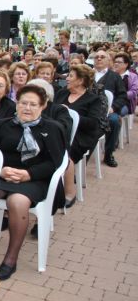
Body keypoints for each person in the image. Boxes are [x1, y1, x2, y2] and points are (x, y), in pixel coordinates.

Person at [0, 85, 66, 280]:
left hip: (34, 179)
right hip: (2, 174)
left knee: (18, 202)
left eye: (33, 104)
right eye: (23, 103)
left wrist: (28, 174)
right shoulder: (2, 125)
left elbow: (55, 163)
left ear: (43, 106)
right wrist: (1, 169)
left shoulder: (52, 129)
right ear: (16, 103)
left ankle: (10, 260)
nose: (27, 108)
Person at [54, 65, 103, 204]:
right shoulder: (61, 94)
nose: (67, 78)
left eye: (70, 76)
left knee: (62, 150)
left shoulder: (93, 99)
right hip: (59, 131)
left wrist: (69, 113)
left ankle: (70, 192)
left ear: (81, 80)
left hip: (80, 136)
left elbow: (93, 124)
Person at [92, 50, 128, 167]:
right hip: (88, 111)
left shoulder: (115, 77)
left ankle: (108, 153)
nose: (99, 59)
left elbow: (123, 96)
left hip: (108, 111)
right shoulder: (87, 74)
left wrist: (114, 107)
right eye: (96, 57)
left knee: (114, 121)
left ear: (108, 61)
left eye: (102, 57)